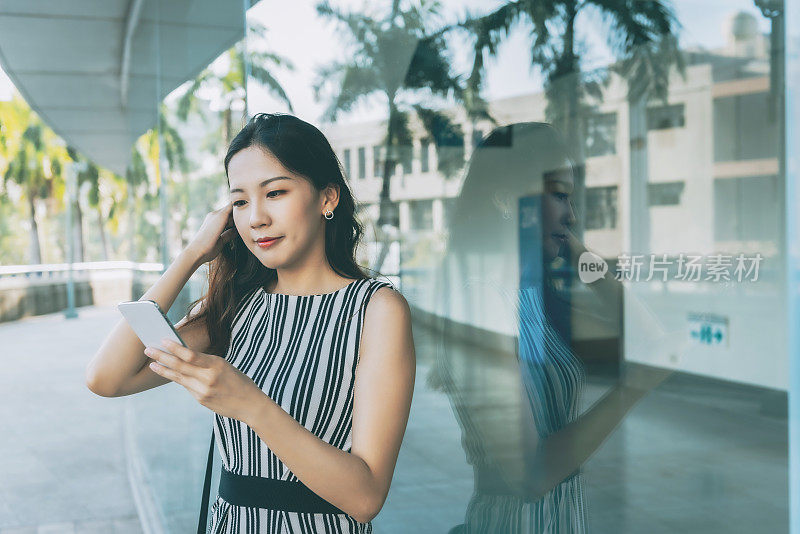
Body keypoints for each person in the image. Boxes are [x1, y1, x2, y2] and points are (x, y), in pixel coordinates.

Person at [85, 113, 416, 533]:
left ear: (327, 198)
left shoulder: (376, 309)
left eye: (275, 192)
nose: (256, 217)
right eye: (240, 201)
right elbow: (105, 378)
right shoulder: (237, 307)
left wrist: (249, 404)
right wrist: (190, 256)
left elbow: (366, 498)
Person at [429, 122, 677, 533]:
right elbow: (531, 476)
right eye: (560, 195)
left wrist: (576, 248)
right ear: (508, 197)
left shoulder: (525, 295)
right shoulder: (480, 301)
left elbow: (651, 338)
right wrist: (633, 388)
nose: (573, 214)